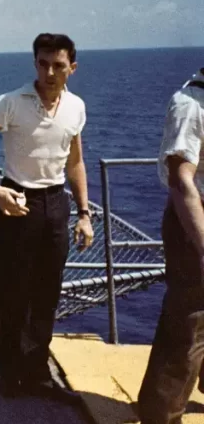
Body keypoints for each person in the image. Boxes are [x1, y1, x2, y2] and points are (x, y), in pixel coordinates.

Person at [0, 32, 93, 403]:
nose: (49, 71)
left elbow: (76, 161)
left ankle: (37, 374)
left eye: (58, 65)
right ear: (34, 63)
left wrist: (84, 213)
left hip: (56, 205)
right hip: (17, 201)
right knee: (10, 289)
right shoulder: (11, 102)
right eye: (42, 63)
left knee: (47, 292)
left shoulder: (76, 107)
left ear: (72, 68)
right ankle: (10, 373)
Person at [137, 67, 204, 424]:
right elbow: (182, 183)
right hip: (194, 223)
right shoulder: (190, 105)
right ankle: (160, 415)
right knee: (189, 320)